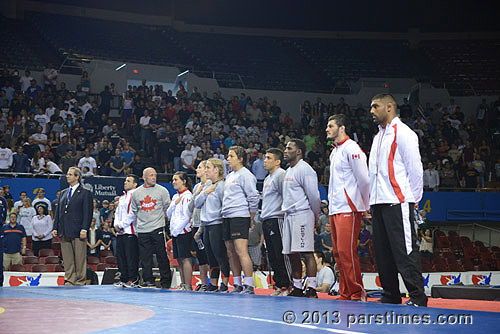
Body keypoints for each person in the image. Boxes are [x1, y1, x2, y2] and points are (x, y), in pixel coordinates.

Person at [369, 93, 427, 307]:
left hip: (398, 201)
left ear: (390, 107)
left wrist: (413, 199)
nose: (372, 111)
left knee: (405, 250)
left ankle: (418, 297)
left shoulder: (404, 133)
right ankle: (390, 294)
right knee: (383, 253)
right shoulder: (378, 137)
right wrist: (370, 202)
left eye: (376, 106)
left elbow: (415, 169)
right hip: (378, 202)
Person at [326, 114, 369, 301]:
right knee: (337, 253)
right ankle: (345, 291)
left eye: (330, 126)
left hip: (349, 208)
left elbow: (365, 179)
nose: (327, 129)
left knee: (347, 252)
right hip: (336, 208)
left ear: (341, 128)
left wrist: (365, 206)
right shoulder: (334, 152)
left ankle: (357, 291)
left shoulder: (352, 149)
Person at [282, 139, 320, 298]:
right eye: (285, 148)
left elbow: (314, 196)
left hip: (302, 213)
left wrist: (316, 217)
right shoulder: (289, 170)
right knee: (291, 254)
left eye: (289, 148)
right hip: (289, 215)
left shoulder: (305, 169)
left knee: (307, 252)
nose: (285, 150)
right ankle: (297, 287)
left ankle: (312, 289)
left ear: (298, 152)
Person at [222, 146, 259, 294]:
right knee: (230, 252)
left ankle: (249, 285)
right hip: (227, 215)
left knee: (241, 250)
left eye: (231, 156)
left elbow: (253, 197)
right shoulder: (230, 175)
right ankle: (237, 284)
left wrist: (251, 216)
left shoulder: (246, 175)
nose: (228, 159)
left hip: (240, 215)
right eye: (228, 156)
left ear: (240, 158)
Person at [130, 167, 172, 289]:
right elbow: (134, 211)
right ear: (144, 177)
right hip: (143, 229)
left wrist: (161, 220)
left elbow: (167, 208)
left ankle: (166, 281)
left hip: (157, 227)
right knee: (145, 257)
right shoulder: (136, 193)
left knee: (162, 255)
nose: (154, 177)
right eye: (151, 175)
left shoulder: (162, 191)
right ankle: (148, 280)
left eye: (154, 175)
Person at [52, 167, 93, 286]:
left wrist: (84, 228)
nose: (67, 176)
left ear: (77, 177)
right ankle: (69, 280)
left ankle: (80, 280)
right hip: (64, 230)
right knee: (67, 258)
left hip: (78, 230)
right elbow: (58, 212)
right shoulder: (64, 192)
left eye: (70, 174)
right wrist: (55, 227)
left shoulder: (85, 193)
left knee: (80, 258)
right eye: (67, 174)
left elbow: (87, 213)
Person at [194, 158, 230, 292]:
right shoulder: (208, 185)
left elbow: (224, 205)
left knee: (220, 255)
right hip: (207, 225)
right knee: (210, 257)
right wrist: (205, 191)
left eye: (208, 167)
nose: (206, 170)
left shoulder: (222, 185)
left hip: (217, 224)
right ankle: (213, 284)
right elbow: (197, 203)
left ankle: (225, 284)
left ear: (216, 169)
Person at [261, 148, 292, 296]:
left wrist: (284, 215)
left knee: (281, 253)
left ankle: (288, 284)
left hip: (277, 218)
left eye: (268, 158)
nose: (265, 160)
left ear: (277, 161)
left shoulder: (281, 175)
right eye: (265, 157)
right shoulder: (268, 178)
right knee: (272, 255)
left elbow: (286, 196)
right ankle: (279, 285)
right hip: (267, 219)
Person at [167, 172, 194, 290]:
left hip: (184, 231)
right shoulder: (175, 197)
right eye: (173, 180)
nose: (173, 182)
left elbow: (187, 216)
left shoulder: (188, 196)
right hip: (175, 232)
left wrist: (178, 229)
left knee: (185, 258)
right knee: (179, 259)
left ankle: (188, 285)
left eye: (176, 180)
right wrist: (173, 204)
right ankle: (183, 284)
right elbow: (168, 214)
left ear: (183, 181)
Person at [113, 174, 140, 288]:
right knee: (121, 257)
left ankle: (134, 279)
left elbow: (133, 214)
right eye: (125, 180)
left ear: (135, 184)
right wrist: (116, 225)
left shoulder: (136, 195)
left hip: (130, 231)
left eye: (128, 181)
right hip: (120, 232)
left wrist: (122, 225)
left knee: (131, 257)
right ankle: (123, 279)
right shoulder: (122, 197)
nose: (125, 182)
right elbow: (117, 213)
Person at [189, 161, 210, 291]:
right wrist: (196, 194)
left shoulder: (210, 185)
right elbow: (190, 207)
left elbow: (207, 207)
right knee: (201, 256)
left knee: (209, 255)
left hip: (206, 224)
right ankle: (203, 283)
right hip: (195, 224)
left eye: (200, 167)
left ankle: (212, 283)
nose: (197, 169)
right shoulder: (196, 186)